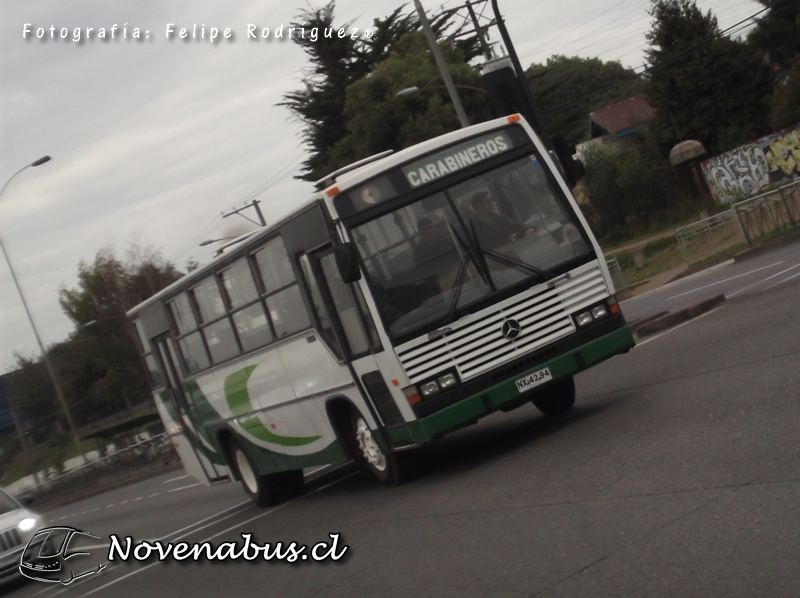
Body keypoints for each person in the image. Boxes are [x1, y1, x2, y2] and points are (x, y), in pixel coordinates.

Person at [469, 191, 534, 250]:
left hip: (511, 255)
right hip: (491, 260)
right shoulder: (473, 227)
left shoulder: (499, 219)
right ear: (478, 206)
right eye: (487, 201)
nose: (491, 204)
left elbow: (519, 227)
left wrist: (528, 230)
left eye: (490, 201)